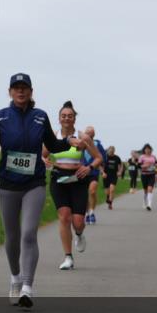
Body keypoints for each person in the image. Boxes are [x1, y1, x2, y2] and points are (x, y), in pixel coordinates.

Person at [0, 74, 81, 308]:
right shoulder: (0, 116)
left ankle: (27, 286)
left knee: (28, 233)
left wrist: (68, 142)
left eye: (24, 88)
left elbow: (52, 145)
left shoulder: (40, 116)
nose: (20, 91)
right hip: (8, 184)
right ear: (10, 92)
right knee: (12, 236)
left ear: (31, 91)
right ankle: (15, 277)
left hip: (34, 184)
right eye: (16, 88)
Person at [43, 101, 102, 270]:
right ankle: (68, 257)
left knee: (78, 222)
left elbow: (98, 158)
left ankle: (79, 234)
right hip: (58, 179)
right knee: (64, 216)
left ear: (74, 119)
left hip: (78, 179)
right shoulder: (53, 137)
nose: (66, 118)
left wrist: (89, 167)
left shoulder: (83, 137)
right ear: (59, 119)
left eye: (70, 116)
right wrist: (45, 161)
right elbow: (42, 155)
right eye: (63, 116)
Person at [82, 126, 105, 224]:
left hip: (93, 172)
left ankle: (91, 212)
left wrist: (102, 169)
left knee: (92, 191)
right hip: (82, 172)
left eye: (90, 133)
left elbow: (103, 157)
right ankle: (87, 213)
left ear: (93, 135)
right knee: (84, 195)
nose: (88, 135)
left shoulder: (97, 144)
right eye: (87, 133)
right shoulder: (80, 143)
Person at [138, 144, 157, 211]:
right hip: (144, 175)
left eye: (149, 149)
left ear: (151, 150)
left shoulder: (153, 157)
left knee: (150, 189)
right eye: (146, 149)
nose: (147, 150)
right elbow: (138, 166)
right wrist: (145, 166)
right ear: (144, 150)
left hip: (152, 174)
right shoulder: (142, 157)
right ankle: (144, 202)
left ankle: (149, 205)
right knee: (145, 191)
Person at [103, 145, 122, 209]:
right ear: (108, 151)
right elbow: (101, 165)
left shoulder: (117, 158)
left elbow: (120, 166)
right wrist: (103, 173)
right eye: (110, 151)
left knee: (112, 189)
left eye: (112, 151)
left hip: (114, 175)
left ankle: (110, 203)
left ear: (114, 151)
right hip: (106, 175)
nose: (111, 152)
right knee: (107, 191)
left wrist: (119, 172)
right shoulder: (105, 157)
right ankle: (108, 197)